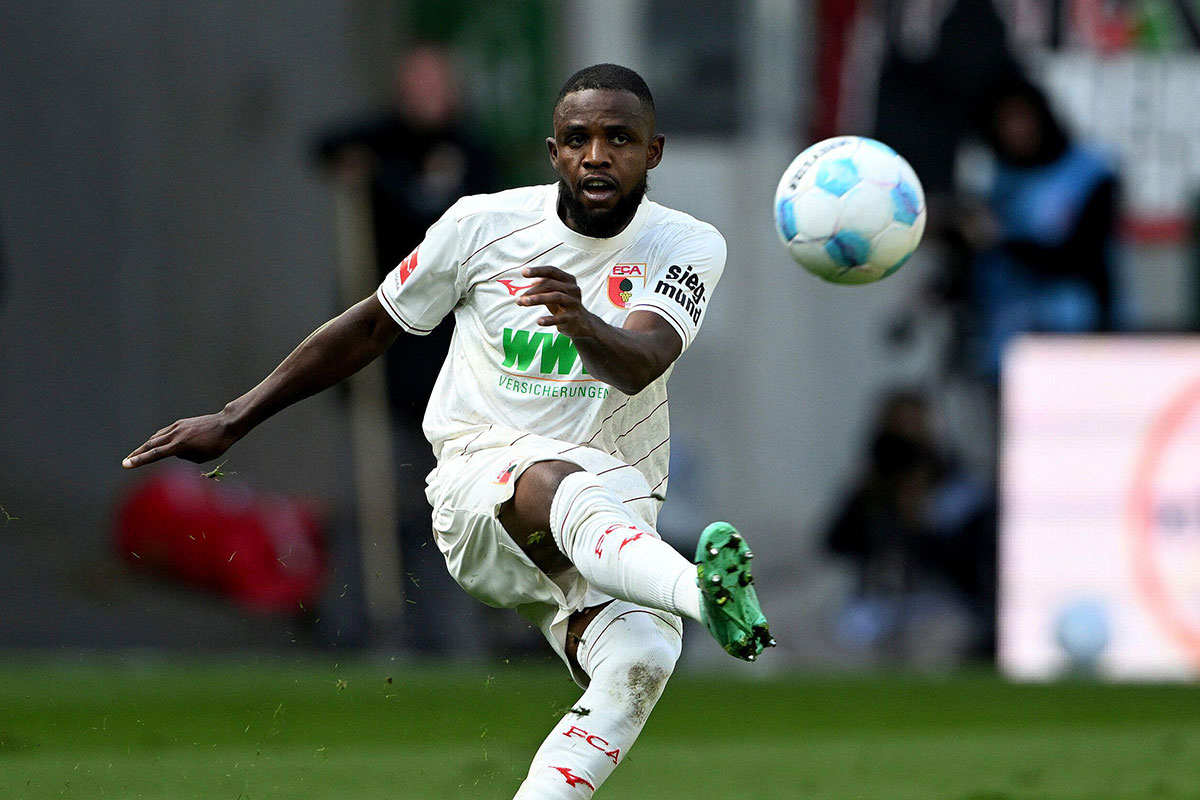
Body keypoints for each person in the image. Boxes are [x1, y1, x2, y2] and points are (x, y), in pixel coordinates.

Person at [123, 63, 773, 797]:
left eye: (619, 138)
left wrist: (581, 320)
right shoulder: (480, 226)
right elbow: (370, 327)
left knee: (640, 663)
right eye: (578, 138)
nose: (597, 154)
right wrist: (234, 417)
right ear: (553, 150)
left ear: (654, 152)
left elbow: (644, 359)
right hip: (482, 486)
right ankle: (701, 593)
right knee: (552, 480)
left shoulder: (685, 245)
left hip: (616, 513)